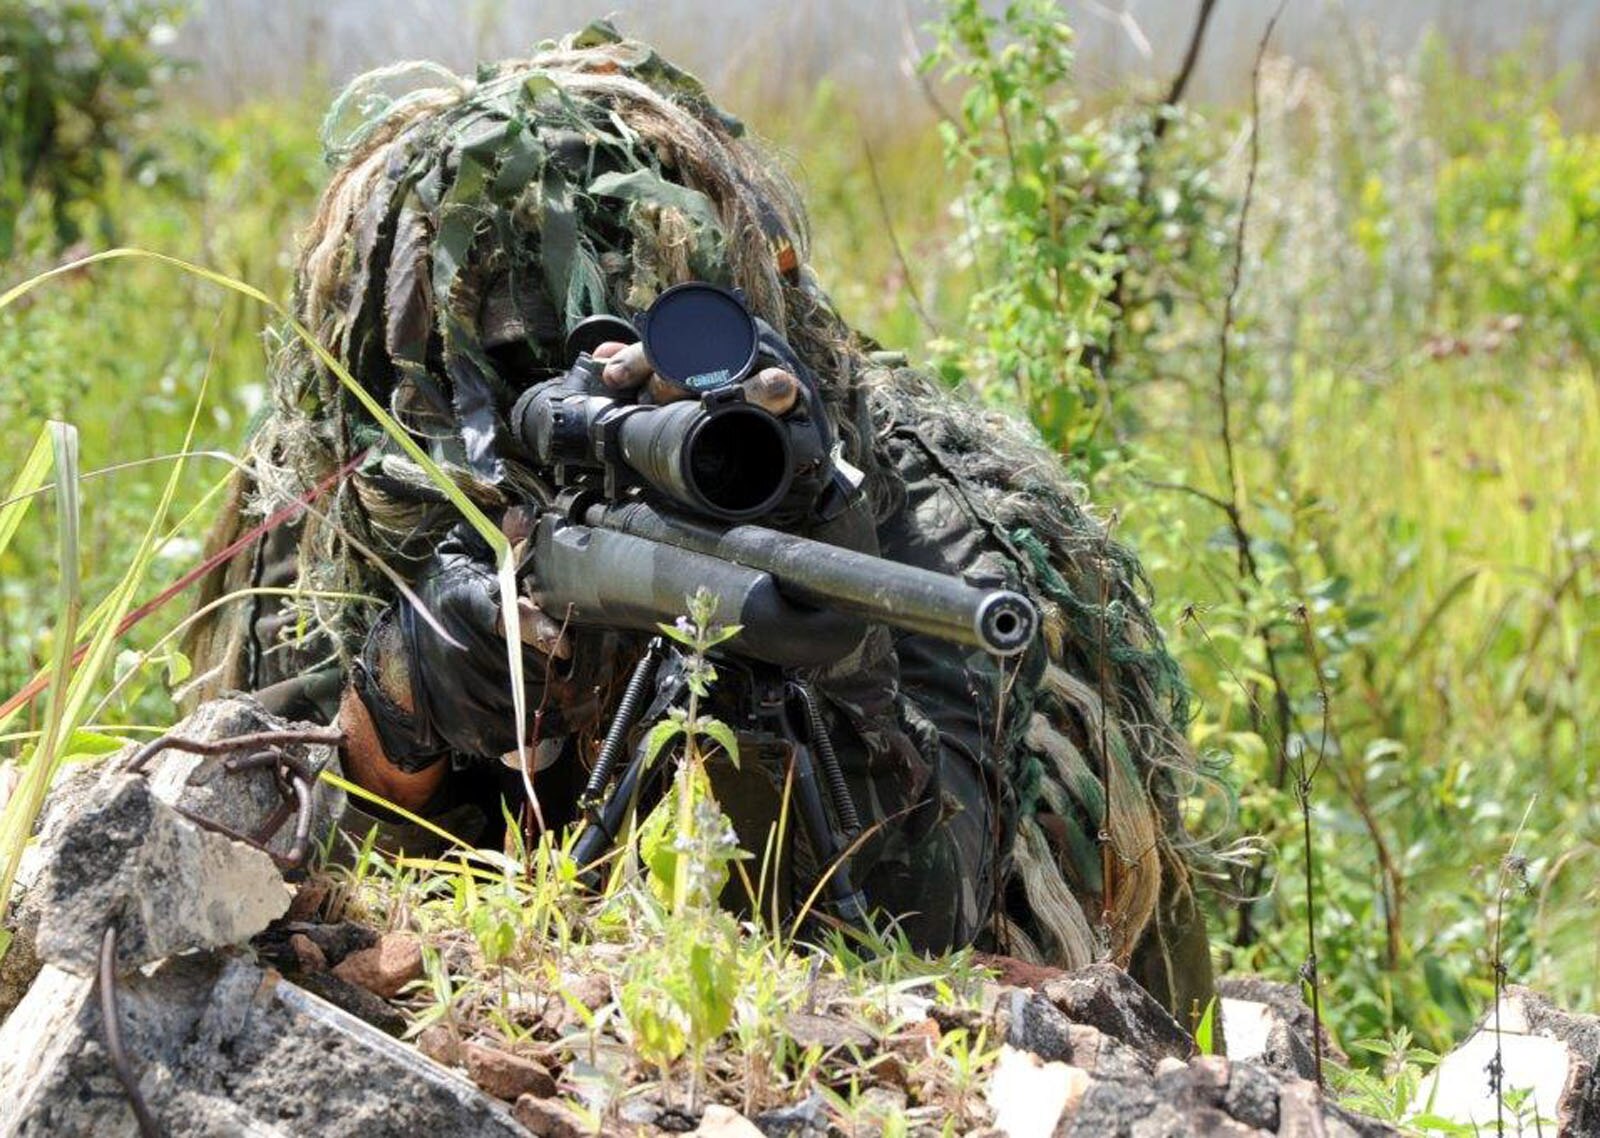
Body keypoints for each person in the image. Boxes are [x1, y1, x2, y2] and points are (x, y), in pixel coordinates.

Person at [186, 22, 1217, 1019]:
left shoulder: (920, 537)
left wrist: (837, 689)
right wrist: (402, 709)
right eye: (502, 390)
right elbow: (235, 872)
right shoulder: (347, 518)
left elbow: (934, 943)